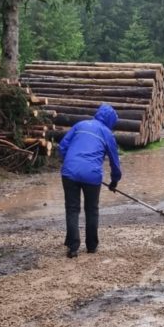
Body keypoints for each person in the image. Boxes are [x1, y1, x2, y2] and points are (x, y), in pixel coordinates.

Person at [58, 103, 122, 258]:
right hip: (92, 176)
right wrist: (114, 181)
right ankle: (91, 246)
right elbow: (114, 161)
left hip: (69, 172)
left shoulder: (80, 124)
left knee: (72, 209)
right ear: (111, 121)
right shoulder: (107, 133)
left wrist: (67, 162)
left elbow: (62, 147)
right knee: (91, 210)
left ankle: (73, 247)